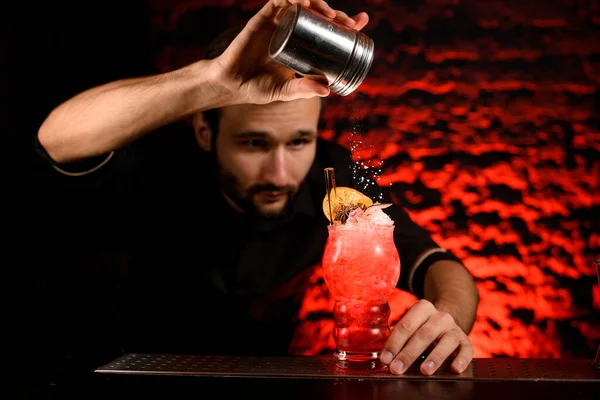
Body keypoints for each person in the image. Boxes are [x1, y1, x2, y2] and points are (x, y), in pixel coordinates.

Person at [35, 0, 479, 376]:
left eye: (299, 141)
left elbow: (437, 263)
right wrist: (211, 81)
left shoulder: (332, 179)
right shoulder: (163, 162)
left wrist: (447, 319)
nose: (280, 173)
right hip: (142, 377)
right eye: (254, 143)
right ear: (205, 132)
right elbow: (57, 139)